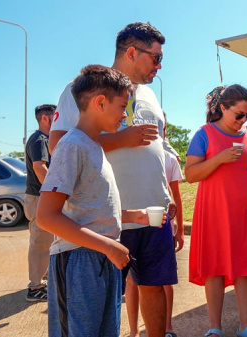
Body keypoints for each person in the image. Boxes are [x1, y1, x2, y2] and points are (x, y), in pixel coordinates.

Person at [49, 22, 177, 337]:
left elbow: (159, 147)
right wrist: (122, 139)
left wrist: (168, 195)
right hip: (104, 223)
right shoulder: (84, 88)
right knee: (97, 308)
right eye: (155, 58)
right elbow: (59, 145)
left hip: (151, 213)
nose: (159, 67)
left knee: (154, 286)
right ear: (132, 52)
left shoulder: (150, 95)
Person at [37, 64, 158, 337]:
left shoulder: (92, 147)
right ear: (100, 103)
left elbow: (88, 206)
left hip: (102, 256)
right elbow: (46, 216)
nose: (125, 116)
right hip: (79, 261)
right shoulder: (72, 146)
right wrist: (108, 246)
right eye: (122, 107)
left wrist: (130, 216)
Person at [185, 84, 247, 337]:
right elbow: (190, 174)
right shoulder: (204, 133)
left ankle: (245, 325)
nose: (243, 120)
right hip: (214, 214)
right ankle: (214, 328)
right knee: (214, 268)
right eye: (238, 114)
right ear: (222, 108)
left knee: (245, 269)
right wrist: (219, 158)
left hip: (246, 214)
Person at [125, 115, 185, 337]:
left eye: (161, 127)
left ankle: (166, 327)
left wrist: (179, 226)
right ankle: (133, 331)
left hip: (159, 224)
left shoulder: (167, 157)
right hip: (130, 223)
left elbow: (173, 193)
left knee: (161, 282)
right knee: (132, 282)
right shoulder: (127, 152)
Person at [23, 104, 56, 302]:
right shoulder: (40, 140)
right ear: (45, 118)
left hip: (37, 196)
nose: (58, 119)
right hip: (39, 196)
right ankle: (34, 288)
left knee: (44, 241)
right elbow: (39, 167)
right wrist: (56, 190)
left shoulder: (41, 139)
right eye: (55, 116)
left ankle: (42, 278)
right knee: (40, 242)